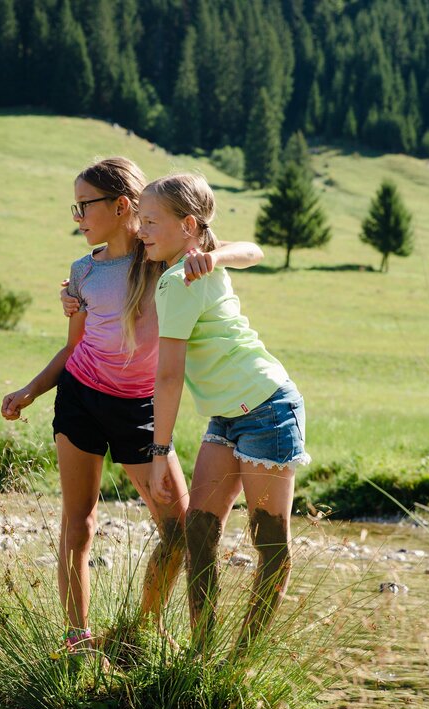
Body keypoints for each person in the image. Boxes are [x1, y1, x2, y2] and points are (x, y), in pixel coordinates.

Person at [1, 158, 263, 655]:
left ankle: (142, 631)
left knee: (180, 530)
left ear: (121, 206)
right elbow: (74, 347)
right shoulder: (82, 272)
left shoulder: (160, 258)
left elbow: (250, 250)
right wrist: (31, 391)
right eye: (74, 207)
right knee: (79, 521)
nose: (76, 216)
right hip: (80, 399)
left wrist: (215, 258)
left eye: (84, 206)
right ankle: (77, 639)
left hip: (139, 409)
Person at [139, 173, 311, 649]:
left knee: (271, 545)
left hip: (268, 408)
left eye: (151, 221)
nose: (141, 230)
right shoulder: (183, 267)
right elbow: (249, 250)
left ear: (189, 224)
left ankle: (240, 665)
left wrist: (160, 452)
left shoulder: (183, 276)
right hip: (227, 416)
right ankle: (202, 657)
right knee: (199, 533)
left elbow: (169, 377)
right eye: (139, 220)